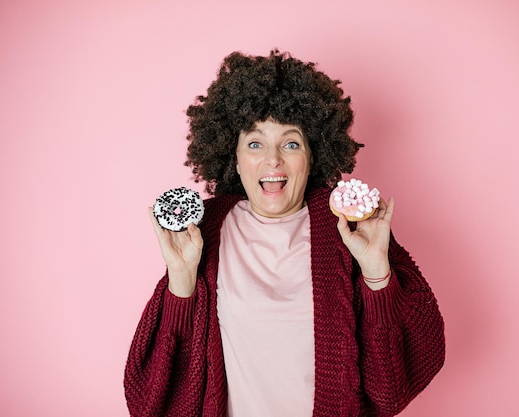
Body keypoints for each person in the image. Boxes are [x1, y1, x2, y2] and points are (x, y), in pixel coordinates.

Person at [124, 49, 445, 417]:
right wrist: (181, 283)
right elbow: (150, 399)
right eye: (255, 143)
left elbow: (392, 389)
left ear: (312, 156)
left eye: (291, 144)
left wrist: (377, 276)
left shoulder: (350, 229)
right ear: (235, 157)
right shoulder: (204, 231)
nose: (272, 160)